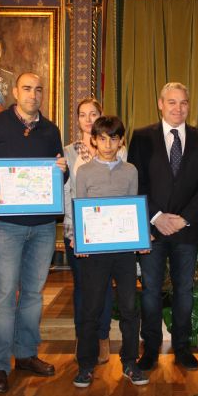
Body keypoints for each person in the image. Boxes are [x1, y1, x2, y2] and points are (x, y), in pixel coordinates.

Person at [0, 72, 67, 393]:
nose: (33, 94)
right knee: (1, 296)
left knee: (32, 295)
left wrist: (62, 173)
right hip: (7, 226)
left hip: (41, 226)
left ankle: (26, 353)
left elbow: (56, 181)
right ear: (16, 91)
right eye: (27, 88)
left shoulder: (51, 130)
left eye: (39, 89)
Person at [128, 82, 198, 371]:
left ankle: (181, 347)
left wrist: (185, 218)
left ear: (189, 105)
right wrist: (156, 217)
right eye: (172, 102)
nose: (178, 108)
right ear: (160, 104)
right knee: (151, 291)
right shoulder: (141, 138)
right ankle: (150, 349)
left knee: (184, 291)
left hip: (186, 230)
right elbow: (136, 182)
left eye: (184, 103)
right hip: (152, 229)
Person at [71, 116, 148, 388]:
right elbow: (78, 207)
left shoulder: (131, 171)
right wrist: (78, 241)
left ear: (121, 141)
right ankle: (86, 365)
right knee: (91, 309)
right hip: (94, 252)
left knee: (129, 307)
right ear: (93, 139)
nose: (107, 143)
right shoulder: (84, 171)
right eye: (102, 138)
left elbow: (133, 209)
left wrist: (139, 236)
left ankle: (129, 363)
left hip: (125, 252)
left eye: (113, 138)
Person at [64, 98, 126, 363]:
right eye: (82, 115)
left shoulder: (120, 152)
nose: (88, 119)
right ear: (77, 120)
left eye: (93, 114)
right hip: (77, 231)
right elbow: (65, 192)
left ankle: (102, 337)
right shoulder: (67, 152)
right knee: (82, 287)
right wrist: (76, 232)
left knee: (105, 288)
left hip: (109, 232)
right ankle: (84, 337)